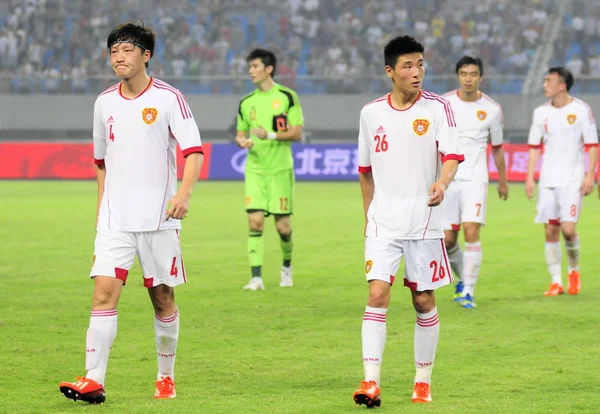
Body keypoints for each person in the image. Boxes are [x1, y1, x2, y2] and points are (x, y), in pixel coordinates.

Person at [58, 22, 204, 404]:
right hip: (114, 220)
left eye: (126, 50)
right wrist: (100, 208)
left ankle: (165, 376)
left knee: (162, 299)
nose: (118, 57)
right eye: (113, 51)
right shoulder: (104, 102)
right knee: (103, 294)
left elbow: (194, 152)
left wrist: (184, 195)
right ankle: (93, 379)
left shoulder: (170, 98)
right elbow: (100, 162)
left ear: (146, 55)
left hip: (158, 219)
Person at [352, 35, 463, 407]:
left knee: (423, 300)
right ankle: (370, 382)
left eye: (420, 64)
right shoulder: (371, 114)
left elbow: (451, 156)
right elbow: (365, 172)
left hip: (424, 222)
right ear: (390, 71)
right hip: (383, 223)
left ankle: (422, 381)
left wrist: (442, 183)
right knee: (377, 294)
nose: (417, 73)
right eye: (408, 66)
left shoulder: (438, 108)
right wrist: (369, 217)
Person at [441, 56, 508, 308]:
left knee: (471, 230)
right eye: (463, 74)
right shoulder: (444, 103)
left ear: (480, 77)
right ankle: (463, 280)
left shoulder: (492, 109)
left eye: (473, 74)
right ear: (458, 76)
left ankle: (468, 290)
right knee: (447, 241)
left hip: (476, 178)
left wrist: (502, 180)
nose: (468, 79)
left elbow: (498, 149)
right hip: (447, 178)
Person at [235, 48, 304, 291]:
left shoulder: (287, 97)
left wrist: (270, 135)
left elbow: (296, 133)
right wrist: (243, 142)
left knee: (283, 227)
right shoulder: (246, 102)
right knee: (254, 222)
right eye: (250, 67)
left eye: (255, 67)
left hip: (280, 170)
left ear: (269, 69)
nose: (250, 71)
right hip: (255, 170)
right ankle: (256, 278)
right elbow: (240, 133)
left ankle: (286, 268)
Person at [526, 67, 598, 296]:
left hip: (572, 179)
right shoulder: (540, 113)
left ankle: (574, 271)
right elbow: (534, 147)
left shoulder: (581, 110)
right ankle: (556, 281)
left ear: (562, 85)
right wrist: (529, 177)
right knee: (550, 231)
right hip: (548, 180)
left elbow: (592, 145)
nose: (544, 84)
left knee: (568, 230)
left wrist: (590, 175)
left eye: (549, 81)